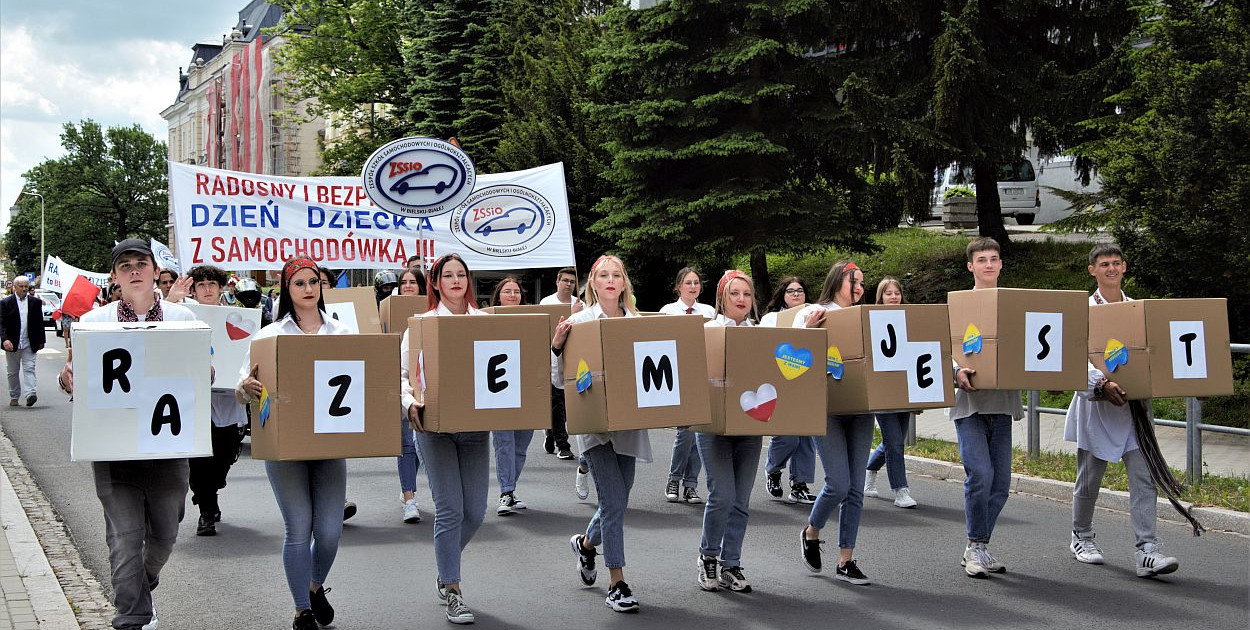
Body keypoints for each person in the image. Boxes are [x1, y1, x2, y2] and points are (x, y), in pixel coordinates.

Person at [57, 239, 196, 630]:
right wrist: (67, 379)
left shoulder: (182, 318)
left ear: (154, 271)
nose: (134, 270)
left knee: (166, 536)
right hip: (114, 448)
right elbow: (74, 377)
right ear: (115, 277)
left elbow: (202, 374)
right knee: (124, 537)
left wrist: (207, 374)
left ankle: (143, 581)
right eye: (125, 265)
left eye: (141, 263)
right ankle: (131, 616)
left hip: (169, 445)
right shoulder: (93, 323)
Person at [236, 256, 352, 630]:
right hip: (285, 445)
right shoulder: (269, 335)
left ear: (322, 286)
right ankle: (302, 609)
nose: (307, 289)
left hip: (330, 444)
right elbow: (243, 386)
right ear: (287, 289)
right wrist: (246, 389)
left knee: (330, 531)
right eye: (299, 283)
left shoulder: (342, 332)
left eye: (313, 282)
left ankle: (315, 586)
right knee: (298, 527)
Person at [1065, 243, 1178, 577]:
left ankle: (1148, 550)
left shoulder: (1138, 311)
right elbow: (1073, 356)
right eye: (1104, 264)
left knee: (1144, 479)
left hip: (1135, 412)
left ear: (1125, 267)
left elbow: (1153, 354)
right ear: (1092, 270)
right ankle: (1081, 535)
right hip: (1098, 409)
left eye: (1116, 263)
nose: (1111, 269)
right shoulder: (1082, 311)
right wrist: (1100, 383)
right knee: (1089, 480)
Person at [554, 254, 648, 613]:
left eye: (617, 275)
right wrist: (557, 348)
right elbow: (556, 380)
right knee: (612, 501)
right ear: (592, 282)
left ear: (624, 283)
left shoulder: (638, 322)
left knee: (619, 500)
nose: (611, 280)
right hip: (594, 429)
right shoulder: (577, 323)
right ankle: (618, 582)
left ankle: (586, 545)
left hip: (628, 426)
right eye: (604, 275)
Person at [401, 253, 489, 624]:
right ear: (435, 283)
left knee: (475, 513)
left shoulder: (485, 322)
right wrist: (410, 403)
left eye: (461, 274)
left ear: (469, 280)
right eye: (447, 275)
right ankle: (453, 589)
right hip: (433, 428)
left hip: (474, 429)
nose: (455, 280)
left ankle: (444, 566)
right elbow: (403, 376)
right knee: (450, 510)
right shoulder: (420, 325)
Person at [793, 260, 874, 586]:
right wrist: (808, 331)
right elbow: (789, 354)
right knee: (838, 482)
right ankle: (812, 530)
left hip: (862, 408)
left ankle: (846, 559)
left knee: (855, 488)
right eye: (854, 280)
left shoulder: (865, 317)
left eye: (862, 283)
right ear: (837, 280)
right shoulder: (812, 312)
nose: (859, 288)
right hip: (826, 407)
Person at [951, 237, 1023, 578]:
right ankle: (977, 545)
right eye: (982, 260)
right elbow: (941, 347)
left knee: (1000, 484)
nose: (989, 264)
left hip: (1004, 403)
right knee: (979, 474)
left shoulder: (1013, 305)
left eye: (994, 258)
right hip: (969, 405)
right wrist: (954, 372)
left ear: (1001, 264)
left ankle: (976, 547)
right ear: (971, 266)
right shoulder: (957, 305)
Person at [696, 270, 762, 593]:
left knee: (741, 499)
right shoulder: (708, 331)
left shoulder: (761, 335)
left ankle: (731, 563)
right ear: (722, 297)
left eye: (747, 295)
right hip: (713, 426)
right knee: (722, 494)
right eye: (735, 293)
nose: (741, 300)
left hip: (750, 426)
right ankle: (708, 556)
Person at [186, 265, 248, 537]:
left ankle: (212, 488)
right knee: (199, 460)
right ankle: (206, 512)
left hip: (227, 399)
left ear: (221, 287)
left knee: (224, 455)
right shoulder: (183, 317)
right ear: (194, 290)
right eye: (201, 285)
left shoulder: (237, 318)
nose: (207, 289)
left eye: (212, 284)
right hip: (195, 400)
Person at [759, 276, 818, 504]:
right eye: (791, 290)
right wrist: (805, 329)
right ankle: (773, 469)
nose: (796, 294)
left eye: (800, 290)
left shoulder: (816, 314)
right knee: (788, 436)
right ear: (782, 295)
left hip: (807, 384)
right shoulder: (771, 319)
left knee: (806, 437)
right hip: (780, 383)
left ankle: (800, 484)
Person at [657, 267, 713, 504]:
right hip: (678, 375)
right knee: (684, 432)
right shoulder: (668, 312)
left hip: (703, 373)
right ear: (678, 286)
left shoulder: (709, 312)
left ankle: (691, 484)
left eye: (696, 283)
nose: (693, 286)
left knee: (699, 432)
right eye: (688, 283)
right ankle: (674, 477)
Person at [864, 277, 918, 509]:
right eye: (888, 293)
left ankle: (868, 470)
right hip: (882, 392)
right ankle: (900, 490)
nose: (893, 297)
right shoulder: (870, 321)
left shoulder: (911, 319)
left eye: (897, 293)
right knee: (894, 442)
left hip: (904, 391)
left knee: (893, 442)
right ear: (880, 297)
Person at [489, 277, 534, 516]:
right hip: (499, 392)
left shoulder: (532, 322)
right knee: (504, 443)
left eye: (516, 291)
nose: (513, 295)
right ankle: (505, 492)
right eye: (507, 291)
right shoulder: (487, 320)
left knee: (521, 446)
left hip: (527, 392)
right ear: (498, 296)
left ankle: (510, 489)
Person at [538, 267, 583, 460]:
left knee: (567, 402)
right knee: (556, 402)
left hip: (572, 358)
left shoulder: (581, 304)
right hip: (552, 357)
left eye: (572, 282)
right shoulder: (546, 303)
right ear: (557, 282)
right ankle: (563, 444)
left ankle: (550, 431)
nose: (568, 284)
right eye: (565, 280)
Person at [396, 266, 426, 524]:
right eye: (403, 282)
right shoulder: (387, 308)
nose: (407, 286)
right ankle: (409, 498)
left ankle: (409, 487)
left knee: (418, 447)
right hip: (400, 385)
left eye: (412, 282)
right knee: (406, 445)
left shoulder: (429, 315)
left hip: (427, 388)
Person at [2, 276, 45, 407]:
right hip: (12, 343)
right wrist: (4, 340)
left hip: (29, 342)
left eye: (26, 286)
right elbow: (1, 324)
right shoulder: (5, 303)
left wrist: (41, 340)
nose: (24, 289)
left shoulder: (35, 302)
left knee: (29, 368)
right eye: (21, 286)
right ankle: (14, 396)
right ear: (14, 288)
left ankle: (31, 394)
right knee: (12, 372)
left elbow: (39, 323)